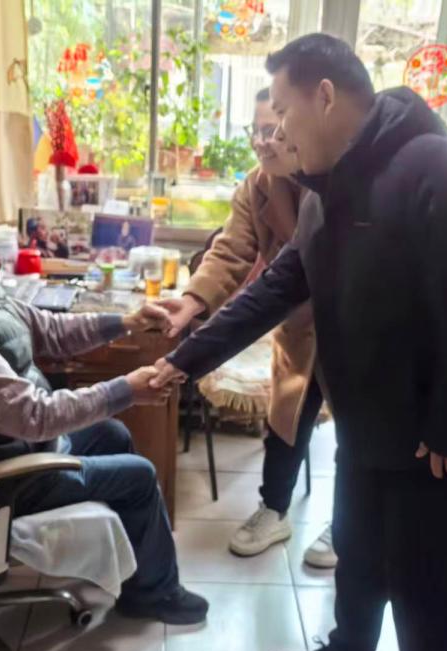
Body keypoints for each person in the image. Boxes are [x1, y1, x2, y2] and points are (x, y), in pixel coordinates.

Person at [151, 34, 447, 651]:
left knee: (423, 582)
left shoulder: (436, 171)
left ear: (324, 96)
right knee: (358, 546)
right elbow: (275, 289)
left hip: (434, 438)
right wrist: (183, 361)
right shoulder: (325, 194)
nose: (277, 132)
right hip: (366, 422)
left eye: (283, 111)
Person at [0, 163, 208, 626]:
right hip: (3, 475)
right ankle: (155, 594)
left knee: (112, 435)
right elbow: (33, 415)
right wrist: (126, 389)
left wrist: (126, 321)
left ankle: (120, 565)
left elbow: (48, 330)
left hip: (16, 445)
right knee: (138, 476)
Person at [158, 87, 334, 566]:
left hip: (350, 328)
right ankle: (273, 510)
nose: (263, 141)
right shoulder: (257, 186)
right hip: (295, 323)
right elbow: (231, 249)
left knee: (357, 434)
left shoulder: (337, 179)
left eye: (273, 128)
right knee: (285, 422)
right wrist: (192, 302)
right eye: (255, 130)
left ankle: (347, 525)